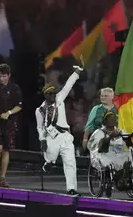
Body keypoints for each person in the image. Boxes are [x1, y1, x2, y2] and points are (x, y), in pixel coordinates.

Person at [35, 64, 83, 195]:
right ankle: (49, 162)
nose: (52, 96)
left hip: (66, 136)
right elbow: (39, 127)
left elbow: (68, 85)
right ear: (45, 95)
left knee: (70, 163)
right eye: (49, 94)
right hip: (51, 137)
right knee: (51, 155)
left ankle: (71, 189)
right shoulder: (40, 110)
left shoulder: (59, 99)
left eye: (53, 93)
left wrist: (77, 72)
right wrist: (42, 140)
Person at [88, 111, 133, 191]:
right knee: (107, 160)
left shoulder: (120, 131)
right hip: (103, 154)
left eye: (114, 118)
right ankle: (111, 179)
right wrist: (109, 137)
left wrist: (130, 138)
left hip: (117, 155)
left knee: (130, 156)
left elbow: (129, 143)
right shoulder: (99, 132)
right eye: (110, 118)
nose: (112, 120)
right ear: (105, 121)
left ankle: (125, 180)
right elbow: (99, 148)